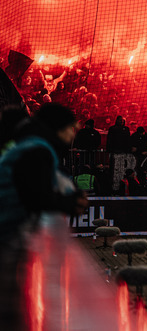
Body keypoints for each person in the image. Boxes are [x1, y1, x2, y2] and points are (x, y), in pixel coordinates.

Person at [0, 104, 88, 328]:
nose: (73, 134)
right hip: (7, 240)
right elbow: (37, 197)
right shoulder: (38, 150)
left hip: (9, 236)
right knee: (13, 315)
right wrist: (69, 202)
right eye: (71, 128)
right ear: (58, 128)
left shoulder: (28, 146)